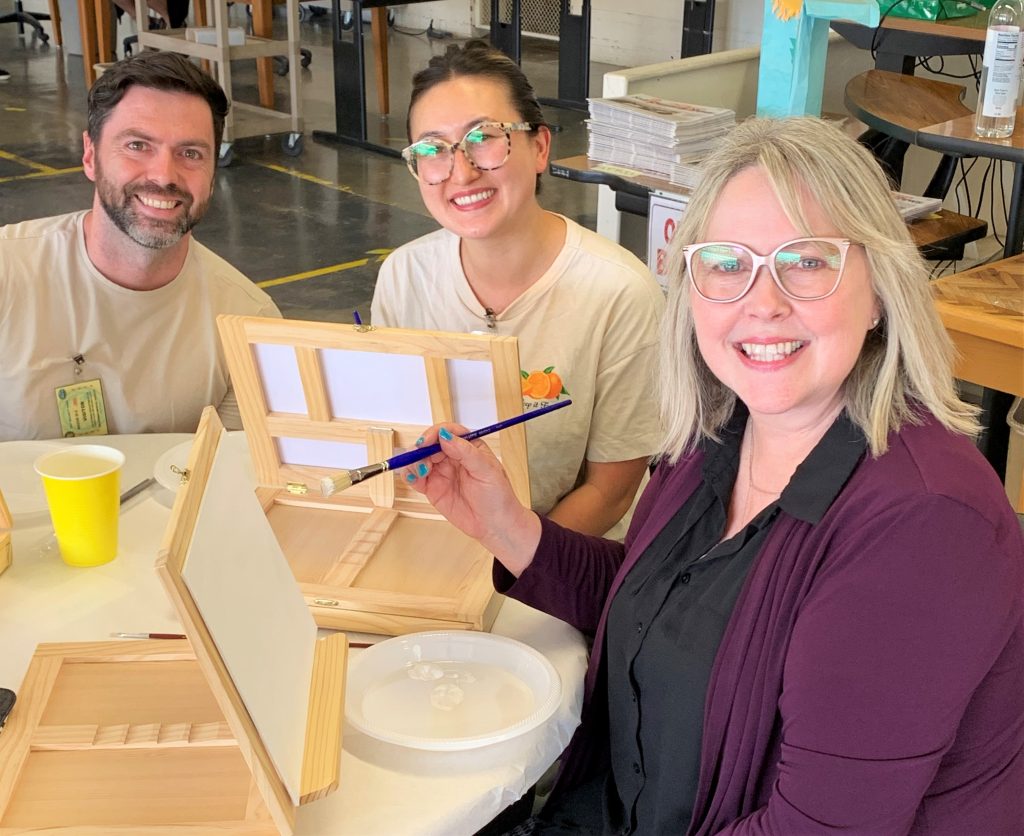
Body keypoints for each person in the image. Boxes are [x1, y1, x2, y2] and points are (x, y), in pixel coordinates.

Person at [403, 117, 1024, 834]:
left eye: (808, 260)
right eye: (728, 263)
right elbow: (673, 614)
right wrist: (510, 530)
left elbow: (818, 828)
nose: (763, 302)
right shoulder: (718, 435)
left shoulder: (927, 527)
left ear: (880, 288)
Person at [371, 40, 665, 540]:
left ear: (540, 148)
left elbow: (611, 492)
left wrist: (509, 565)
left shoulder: (619, 293)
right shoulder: (404, 276)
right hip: (437, 540)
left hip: (564, 550)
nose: (460, 172)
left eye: (484, 137)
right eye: (432, 150)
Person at [0, 51, 279, 441]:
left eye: (191, 153)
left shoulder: (249, 322)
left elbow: (235, 478)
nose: (164, 175)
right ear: (90, 155)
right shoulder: (8, 272)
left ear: (214, 174)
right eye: (137, 145)